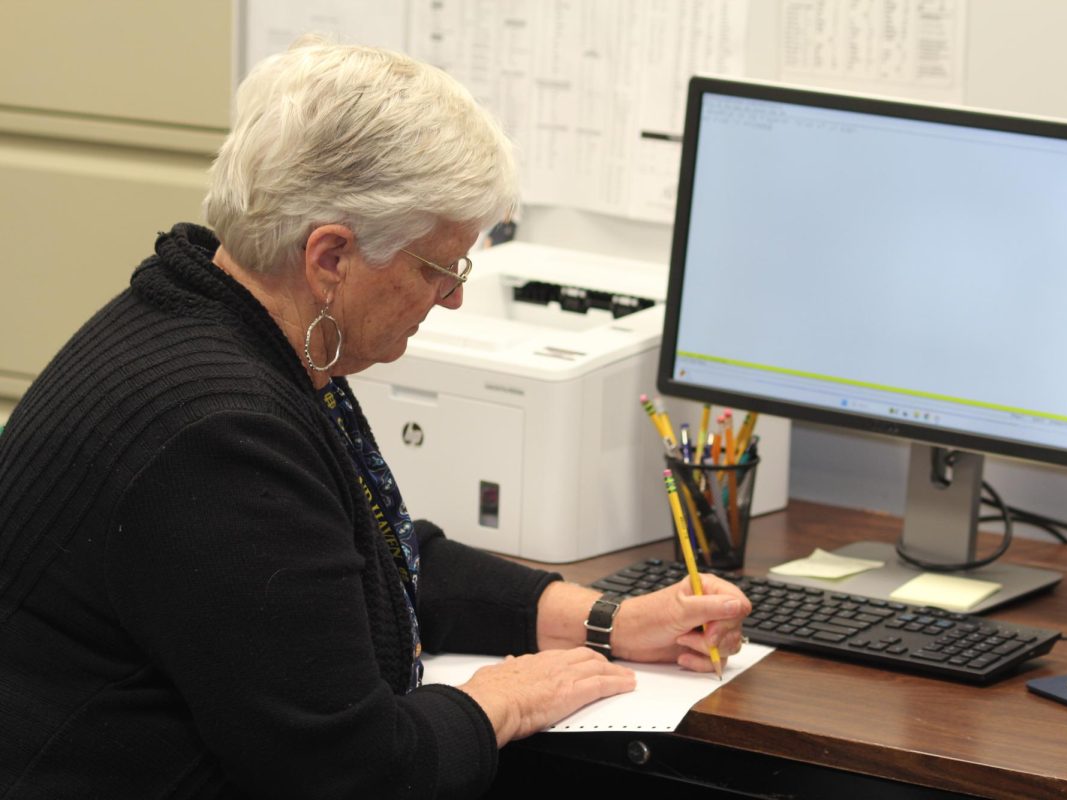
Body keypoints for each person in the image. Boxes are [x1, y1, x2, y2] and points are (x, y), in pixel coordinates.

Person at [0, 36, 751, 799]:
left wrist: (604, 620)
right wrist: (504, 697)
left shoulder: (201, 317)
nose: (453, 297)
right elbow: (356, 775)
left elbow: (364, 561)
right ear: (330, 257)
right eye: (440, 268)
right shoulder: (219, 432)